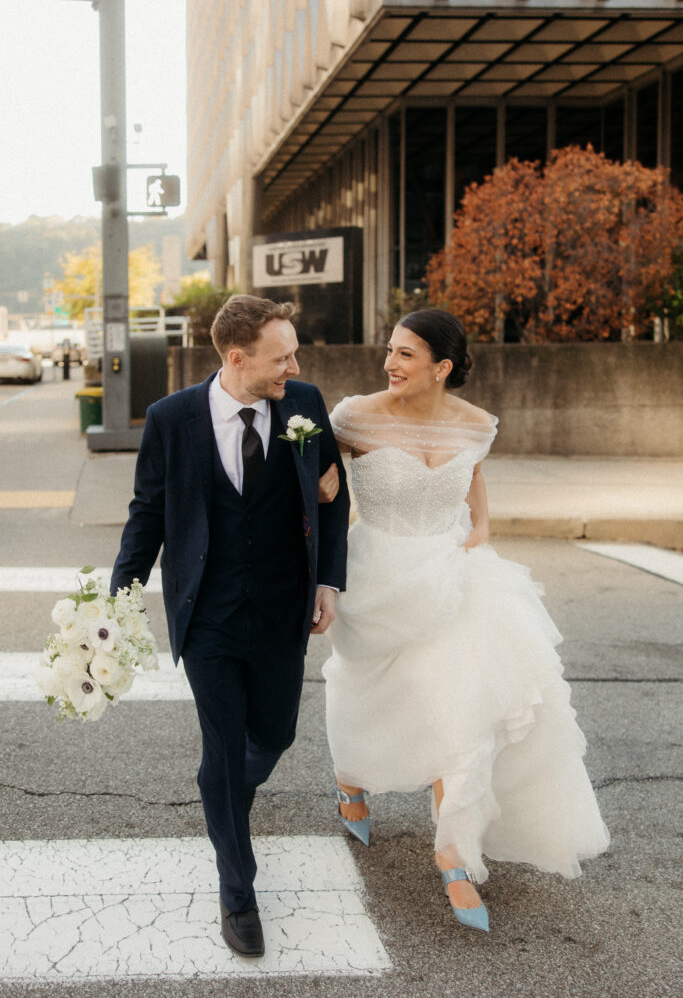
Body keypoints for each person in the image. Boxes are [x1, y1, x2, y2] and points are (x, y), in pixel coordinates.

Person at [323, 309, 609, 933]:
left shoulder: (477, 425)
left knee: (462, 711)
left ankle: (453, 853)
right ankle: (351, 782)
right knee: (371, 697)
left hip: (455, 576)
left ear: (442, 367)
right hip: (378, 575)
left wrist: (480, 528)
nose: (390, 363)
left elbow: (472, 479)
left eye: (405, 354)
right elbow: (318, 482)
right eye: (390, 350)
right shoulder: (354, 416)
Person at [111, 294, 349, 957]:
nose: (293, 366)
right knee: (220, 750)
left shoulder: (303, 403)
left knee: (273, 735)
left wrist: (328, 578)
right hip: (207, 614)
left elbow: (333, 495)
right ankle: (237, 891)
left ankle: (227, 787)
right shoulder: (170, 419)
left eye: (294, 354)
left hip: (283, 608)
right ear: (237, 357)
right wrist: (118, 598)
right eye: (281, 356)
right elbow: (148, 513)